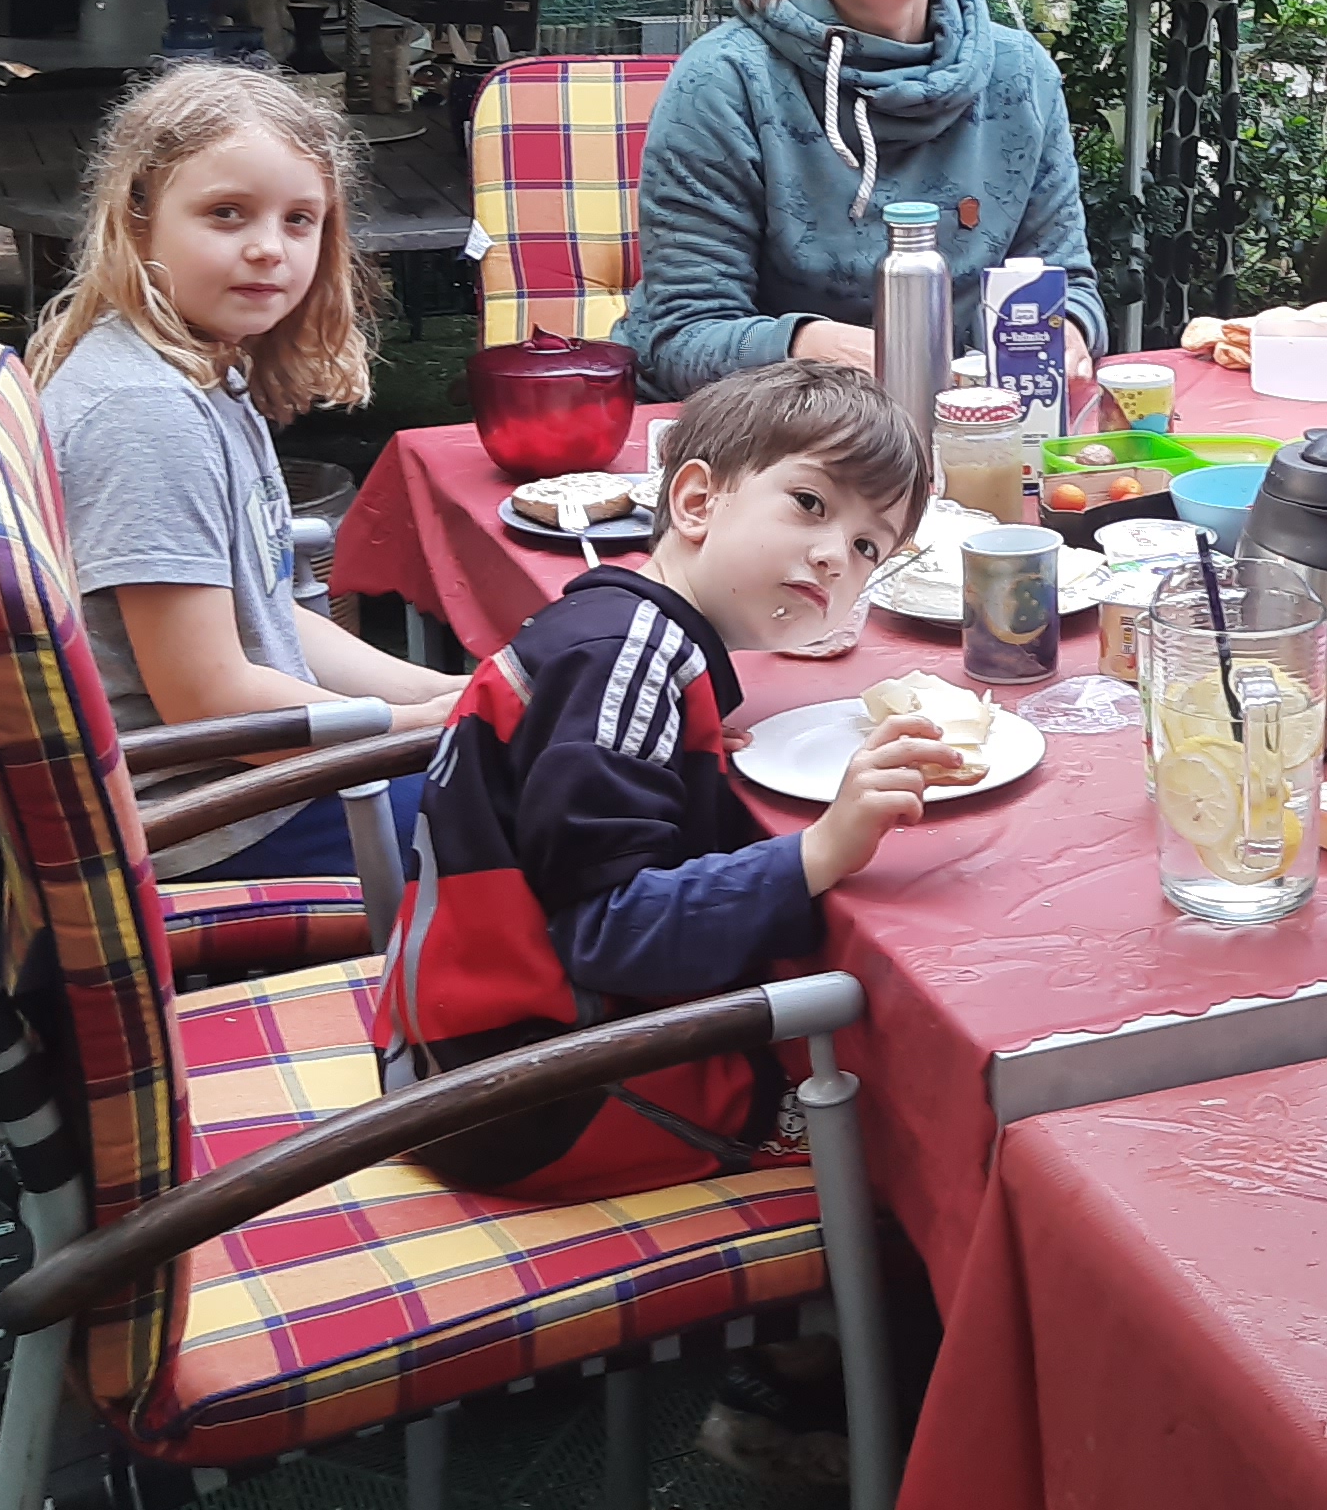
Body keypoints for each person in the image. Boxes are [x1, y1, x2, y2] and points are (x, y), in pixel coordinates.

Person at [371, 358, 952, 1204]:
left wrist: (697, 752)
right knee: (907, 1131)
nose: (834, 557)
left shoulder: (617, 624)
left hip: (463, 1055)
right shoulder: (631, 664)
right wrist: (821, 850)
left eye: (869, 546)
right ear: (695, 502)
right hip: (535, 1096)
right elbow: (608, 934)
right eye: (810, 505)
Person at [27, 64, 463, 877]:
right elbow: (208, 698)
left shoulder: (202, 371)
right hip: (208, 818)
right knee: (568, 810)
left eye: (300, 220)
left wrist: (447, 698)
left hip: (257, 775)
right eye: (227, 214)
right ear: (138, 217)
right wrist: (420, 729)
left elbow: (273, 622)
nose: (269, 248)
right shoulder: (142, 412)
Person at [624, 0, 1103, 398]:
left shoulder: (1021, 77)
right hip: (766, 442)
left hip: (968, 435)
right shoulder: (726, 83)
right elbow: (680, 338)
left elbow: (1069, 286)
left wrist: (1067, 329)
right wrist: (814, 347)